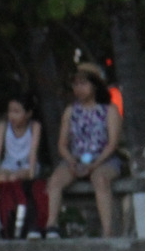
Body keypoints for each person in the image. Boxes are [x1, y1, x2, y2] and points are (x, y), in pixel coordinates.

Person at [44, 63, 123, 239]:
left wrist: (95, 164)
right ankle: (51, 225)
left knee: (100, 180)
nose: (78, 89)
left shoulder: (110, 110)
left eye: (83, 84)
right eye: (76, 84)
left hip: (104, 159)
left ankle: (107, 230)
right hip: (76, 158)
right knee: (55, 181)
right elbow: (62, 144)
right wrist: (72, 161)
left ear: (95, 86)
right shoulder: (70, 111)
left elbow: (112, 144)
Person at [0, 95, 47, 240]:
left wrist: (31, 172)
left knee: (15, 178)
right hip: (8, 164)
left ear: (28, 114)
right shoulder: (3, 127)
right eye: (10, 111)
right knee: (4, 179)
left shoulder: (34, 127)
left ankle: (19, 219)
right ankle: (6, 220)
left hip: (26, 165)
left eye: (17, 112)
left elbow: (33, 152)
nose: (12, 116)